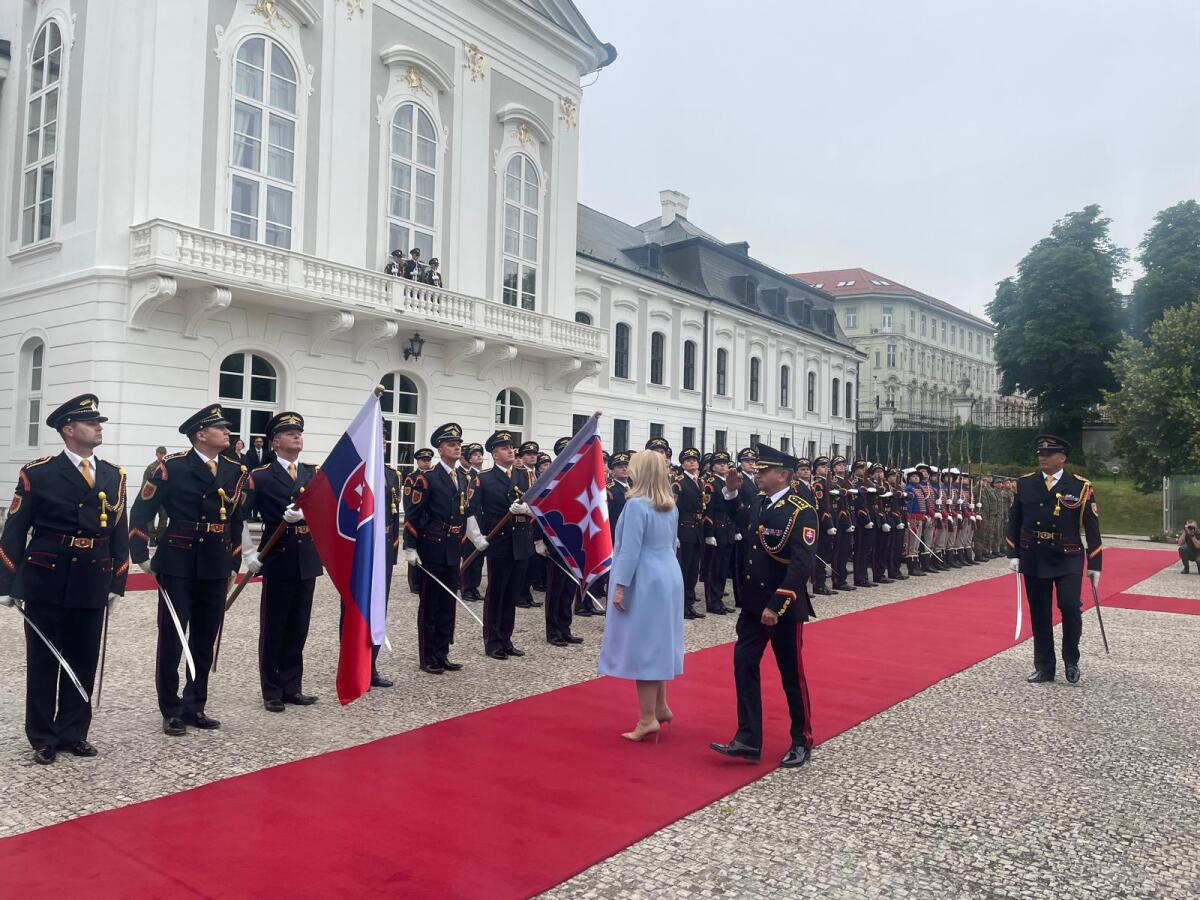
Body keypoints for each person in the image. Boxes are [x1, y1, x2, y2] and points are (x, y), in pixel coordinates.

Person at [0, 394, 129, 765]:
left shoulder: (113, 474)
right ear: (69, 430)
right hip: (47, 575)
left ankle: (74, 732)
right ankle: (42, 736)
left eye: (99, 423)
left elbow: (118, 531)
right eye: (92, 423)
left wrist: (117, 581)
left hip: (93, 574)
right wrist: (6, 581)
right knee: (44, 661)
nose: (99, 427)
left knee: (84, 657)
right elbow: (14, 529)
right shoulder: (38, 472)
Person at [129, 404, 248, 735]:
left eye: (227, 428)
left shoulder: (234, 469)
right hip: (178, 560)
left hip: (215, 559)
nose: (228, 432)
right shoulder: (171, 468)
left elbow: (236, 520)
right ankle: (171, 709)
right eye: (220, 428)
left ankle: (196, 704)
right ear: (201, 434)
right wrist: (140, 555)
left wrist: (233, 562)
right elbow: (141, 511)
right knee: (173, 637)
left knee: (204, 637)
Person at [711, 443, 818, 769]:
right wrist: (730, 493)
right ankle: (747, 738)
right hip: (754, 606)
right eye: (756, 470)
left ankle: (802, 739)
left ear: (782, 474)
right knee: (744, 665)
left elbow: (801, 565)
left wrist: (776, 604)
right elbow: (738, 519)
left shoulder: (801, 510)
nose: (757, 474)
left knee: (791, 675)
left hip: (781, 607)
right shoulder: (758, 503)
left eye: (763, 470)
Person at [598, 450, 684, 742]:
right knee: (658, 642)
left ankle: (647, 718)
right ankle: (660, 706)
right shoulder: (669, 503)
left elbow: (630, 549)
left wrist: (619, 585)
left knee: (644, 647)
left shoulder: (636, 505)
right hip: (668, 573)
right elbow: (671, 544)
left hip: (645, 575)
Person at [1006, 434, 1102, 685]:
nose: (1042, 458)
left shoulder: (1080, 486)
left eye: (1048, 454)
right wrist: (1013, 552)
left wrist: (1095, 564)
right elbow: (1014, 520)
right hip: (1034, 553)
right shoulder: (1026, 483)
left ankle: (1071, 659)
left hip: (1067, 553)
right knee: (1039, 612)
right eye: (1040, 454)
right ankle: (1044, 666)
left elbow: (1092, 528)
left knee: (1070, 606)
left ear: (1062, 458)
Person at [241, 412, 320, 712]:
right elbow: (240, 518)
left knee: (299, 625)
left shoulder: (313, 474)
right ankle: (271, 689)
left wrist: (308, 516)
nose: (297, 436)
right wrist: (249, 554)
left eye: (299, 432)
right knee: (274, 625)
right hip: (277, 553)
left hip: (306, 556)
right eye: (289, 433)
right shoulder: (260, 476)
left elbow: (326, 509)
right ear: (275, 442)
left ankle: (292, 686)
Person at [403, 423, 469, 675]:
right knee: (430, 605)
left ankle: (443, 653)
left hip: (452, 547)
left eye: (458, 444)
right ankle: (428, 656)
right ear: (440, 449)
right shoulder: (426, 478)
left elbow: (464, 513)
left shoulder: (462, 477)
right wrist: (411, 546)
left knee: (448, 603)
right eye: (451, 444)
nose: (457, 448)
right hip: (431, 546)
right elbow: (413, 514)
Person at [467, 430, 539, 660]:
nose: (511, 450)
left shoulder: (526, 475)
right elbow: (472, 510)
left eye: (512, 447)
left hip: (521, 542)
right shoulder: (483, 478)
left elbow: (539, 504)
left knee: (512, 593)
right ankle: (493, 641)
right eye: (505, 448)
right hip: (499, 542)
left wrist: (527, 509)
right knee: (497, 593)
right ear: (494, 454)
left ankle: (506, 639)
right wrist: (477, 537)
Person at [702, 451, 737, 615]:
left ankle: (719, 599)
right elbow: (707, 511)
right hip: (716, 528)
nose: (723, 466)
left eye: (725, 463)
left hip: (728, 529)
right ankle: (712, 602)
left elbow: (734, 509)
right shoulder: (710, 484)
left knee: (723, 568)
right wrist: (709, 533)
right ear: (713, 467)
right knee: (714, 568)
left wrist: (735, 530)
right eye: (719, 463)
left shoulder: (730, 483)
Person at [674, 447, 705, 619]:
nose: (692, 462)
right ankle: (682, 605)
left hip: (697, 529)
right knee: (684, 569)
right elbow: (674, 509)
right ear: (683, 464)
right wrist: (675, 533)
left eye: (694, 460)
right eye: (688, 460)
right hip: (684, 529)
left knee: (694, 570)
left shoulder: (699, 482)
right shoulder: (678, 483)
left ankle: (690, 603)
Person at [460, 442, 486, 602]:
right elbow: (469, 503)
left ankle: (475, 587)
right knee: (469, 556)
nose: (479, 456)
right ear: (469, 459)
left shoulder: (482, 475)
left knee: (479, 559)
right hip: (471, 521)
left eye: (480, 453)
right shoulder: (469, 477)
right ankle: (466, 588)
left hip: (483, 521)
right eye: (475, 454)